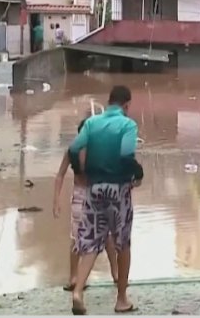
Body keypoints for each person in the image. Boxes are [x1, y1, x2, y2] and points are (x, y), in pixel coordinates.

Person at [68, 85, 142, 315]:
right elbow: (126, 155)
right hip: (118, 190)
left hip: (94, 189)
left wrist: (81, 172)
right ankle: (121, 299)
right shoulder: (128, 125)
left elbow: (73, 148)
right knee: (122, 244)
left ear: (109, 102)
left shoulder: (91, 123)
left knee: (90, 242)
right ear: (126, 105)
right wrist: (138, 174)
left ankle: (78, 291)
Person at [52, 117, 119, 292]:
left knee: (100, 237)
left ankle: (112, 272)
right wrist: (56, 200)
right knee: (82, 237)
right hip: (84, 195)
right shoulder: (79, 151)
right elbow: (60, 175)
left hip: (93, 195)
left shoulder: (84, 150)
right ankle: (77, 276)